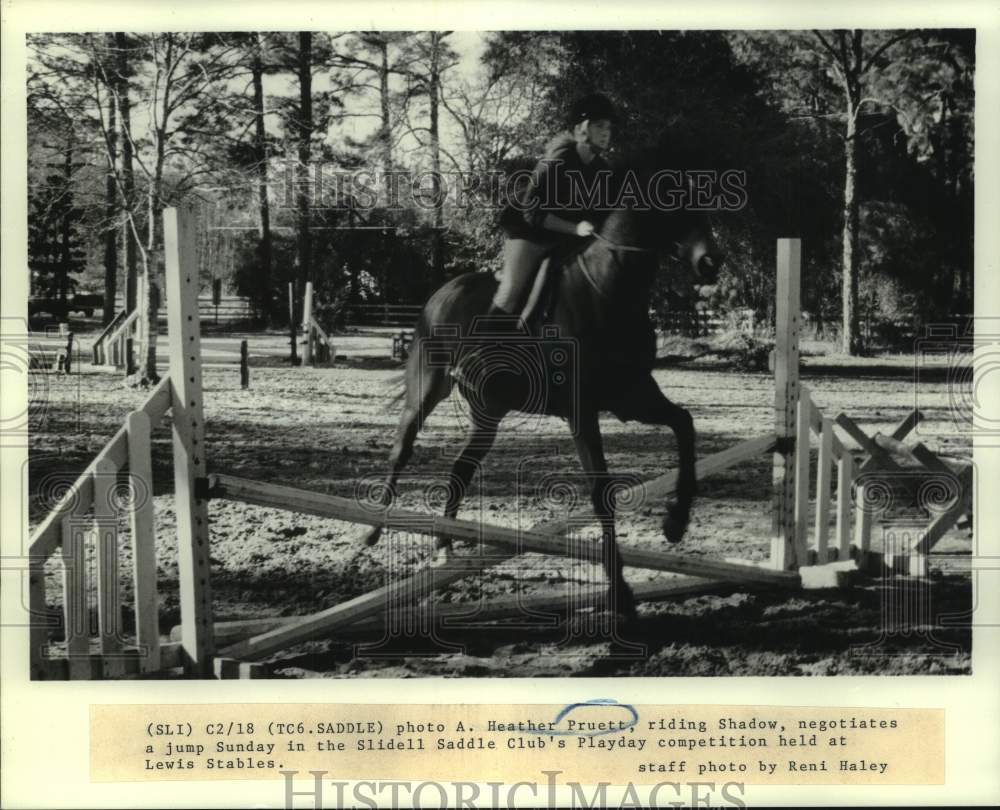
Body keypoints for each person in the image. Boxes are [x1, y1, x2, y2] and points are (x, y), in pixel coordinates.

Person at [486, 92, 619, 331]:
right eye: (599, 125)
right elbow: (532, 213)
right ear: (581, 129)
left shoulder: (601, 170)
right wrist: (575, 228)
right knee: (511, 291)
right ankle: (478, 356)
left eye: (609, 127)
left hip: (564, 236)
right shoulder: (555, 162)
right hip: (526, 230)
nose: (606, 132)